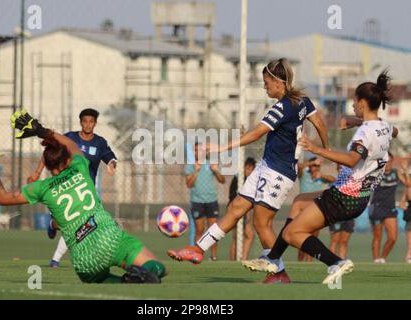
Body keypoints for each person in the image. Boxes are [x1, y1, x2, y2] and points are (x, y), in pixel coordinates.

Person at [168, 58, 329, 284]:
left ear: (277, 81)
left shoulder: (282, 107)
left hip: (278, 173)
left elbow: (255, 134)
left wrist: (220, 147)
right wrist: (326, 148)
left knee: (261, 223)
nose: (265, 86)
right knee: (236, 207)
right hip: (267, 166)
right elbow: (319, 122)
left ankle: (279, 272)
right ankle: (198, 249)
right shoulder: (301, 100)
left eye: (266, 82)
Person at [0, 110, 167, 284]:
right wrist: (41, 130)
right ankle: (142, 274)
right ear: (68, 159)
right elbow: (71, 144)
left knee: (99, 278)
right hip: (109, 237)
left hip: (84, 260)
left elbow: (3, 197)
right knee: (157, 268)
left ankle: (126, 282)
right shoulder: (80, 167)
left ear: (49, 167)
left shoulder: (41, 188)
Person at [244, 70, 398, 285]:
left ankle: (335, 262)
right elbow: (395, 131)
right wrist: (358, 121)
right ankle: (272, 257)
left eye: (354, 101)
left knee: (291, 233)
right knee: (298, 203)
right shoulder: (384, 126)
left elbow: (353, 159)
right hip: (359, 197)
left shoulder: (366, 133)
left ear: (363, 103)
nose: (353, 105)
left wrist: (317, 149)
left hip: (343, 197)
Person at [28, 108, 118, 268]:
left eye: (91, 121)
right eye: (85, 121)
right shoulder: (69, 138)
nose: (88, 125)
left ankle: (56, 259)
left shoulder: (100, 143)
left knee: (81, 225)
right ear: (81, 122)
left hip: (85, 190)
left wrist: (112, 164)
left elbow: (109, 156)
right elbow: (49, 151)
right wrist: (37, 172)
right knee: (73, 223)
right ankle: (54, 231)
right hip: (65, 185)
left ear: (95, 123)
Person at [185, 142, 226, 261]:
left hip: (211, 200)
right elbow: (189, 184)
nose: (200, 152)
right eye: (197, 150)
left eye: (202, 150)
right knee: (199, 230)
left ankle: (213, 257)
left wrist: (216, 170)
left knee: (213, 230)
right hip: (197, 201)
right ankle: (198, 256)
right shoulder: (191, 165)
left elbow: (222, 180)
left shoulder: (211, 163)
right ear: (195, 152)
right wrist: (196, 171)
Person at [368, 152, 411, 263]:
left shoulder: (396, 173)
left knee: (392, 238)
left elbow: (408, 184)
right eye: (386, 161)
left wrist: (405, 171)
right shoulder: (376, 173)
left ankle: (383, 258)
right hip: (376, 207)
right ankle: (376, 260)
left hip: (390, 208)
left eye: (390, 161)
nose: (388, 163)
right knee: (377, 236)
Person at [297, 157, 336, 262]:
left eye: (317, 165)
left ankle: (309, 262)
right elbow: (298, 167)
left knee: (313, 238)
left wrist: (321, 175)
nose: (316, 167)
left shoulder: (321, 177)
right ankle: (300, 262)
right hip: (303, 210)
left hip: (316, 211)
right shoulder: (304, 175)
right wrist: (312, 161)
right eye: (314, 165)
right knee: (301, 238)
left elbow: (334, 180)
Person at [229, 157, 256, 261]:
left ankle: (243, 258)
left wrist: (248, 211)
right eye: (247, 168)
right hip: (236, 210)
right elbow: (231, 196)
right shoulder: (238, 178)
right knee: (236, 238)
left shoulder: (252, 181)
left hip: (246, 211)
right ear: (244, 168)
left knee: (250, 235)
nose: (249, 171)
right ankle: (232, 261)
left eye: (251, 169)